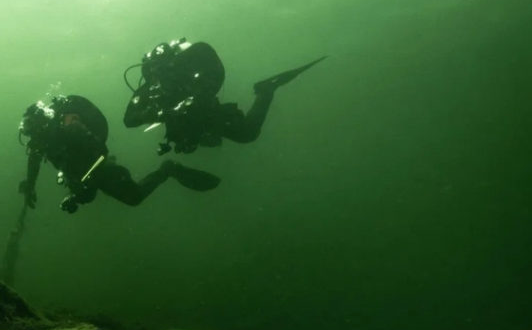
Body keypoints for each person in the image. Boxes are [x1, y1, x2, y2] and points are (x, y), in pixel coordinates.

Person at [17, 94, 220, 213]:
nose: (34, 142)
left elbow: (100, 150)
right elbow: (34, 158)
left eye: (34, 134)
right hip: (80, 168)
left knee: (134, 198)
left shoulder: (70, 127)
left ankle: (168, 169)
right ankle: (83, 189)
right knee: (85, 196)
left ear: (42, 127)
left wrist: (89, 178)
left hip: (97, 164)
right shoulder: (41, 139)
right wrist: (30, 185)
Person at [123, 38, 325, 157]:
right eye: (154, 74)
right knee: (210, 139)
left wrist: (196, 98)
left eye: (163, 70)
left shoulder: (186, 75)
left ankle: (265, 90)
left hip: (208, 115)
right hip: (189, 127)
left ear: (173, 64)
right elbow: (128, 120)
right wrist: (156, 113)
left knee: (247, 134)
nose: (159, 77)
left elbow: (207, 60)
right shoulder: (149, 88)